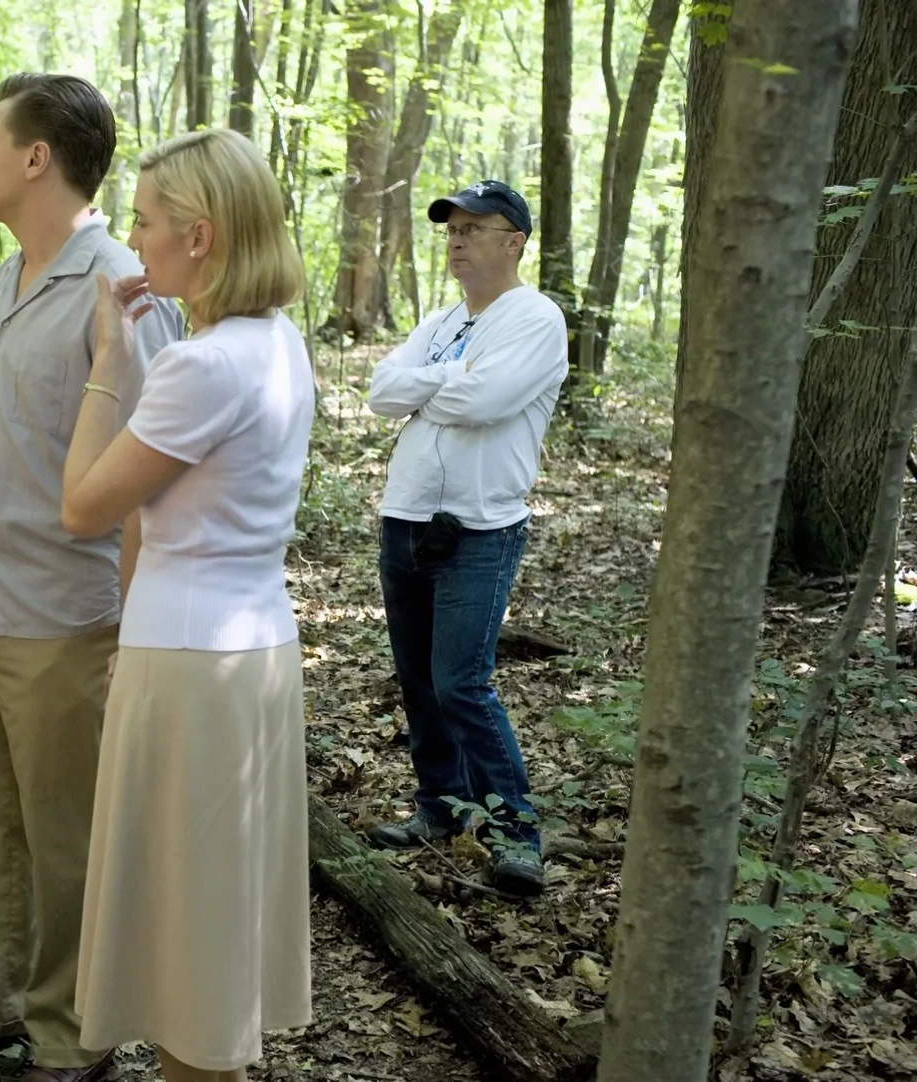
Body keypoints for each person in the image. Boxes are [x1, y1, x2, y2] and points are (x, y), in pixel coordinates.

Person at [0, 74, 180, 1082]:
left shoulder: (124, 290)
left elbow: (151, 474)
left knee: (67, 836)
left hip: (66, 614)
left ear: (35, 159)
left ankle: (72, 1029)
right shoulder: (3, 278)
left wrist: (135, 627)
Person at [60, 127, 314, 1082]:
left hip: (196, 664)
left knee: (189, 936)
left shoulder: (201, 366)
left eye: (146, 222)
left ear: (199, 237)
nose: (134, 242)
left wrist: (108, 362)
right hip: (245, 646)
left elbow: (85, 505)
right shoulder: (274, 343)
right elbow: (160, 521)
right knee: (209, 922)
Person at [363, 179, 568, 897]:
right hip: (406, 517)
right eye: (452, 227)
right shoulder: (445, 319)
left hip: (480, 527)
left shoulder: (535, 318)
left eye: (476, 228)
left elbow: (487, 403)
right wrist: (447, 376)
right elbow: (380, 390)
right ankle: (441, 811)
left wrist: (430, 384)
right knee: (418, 678)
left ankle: (516, 833)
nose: (457, 238)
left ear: (513, 240)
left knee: (461, 682)